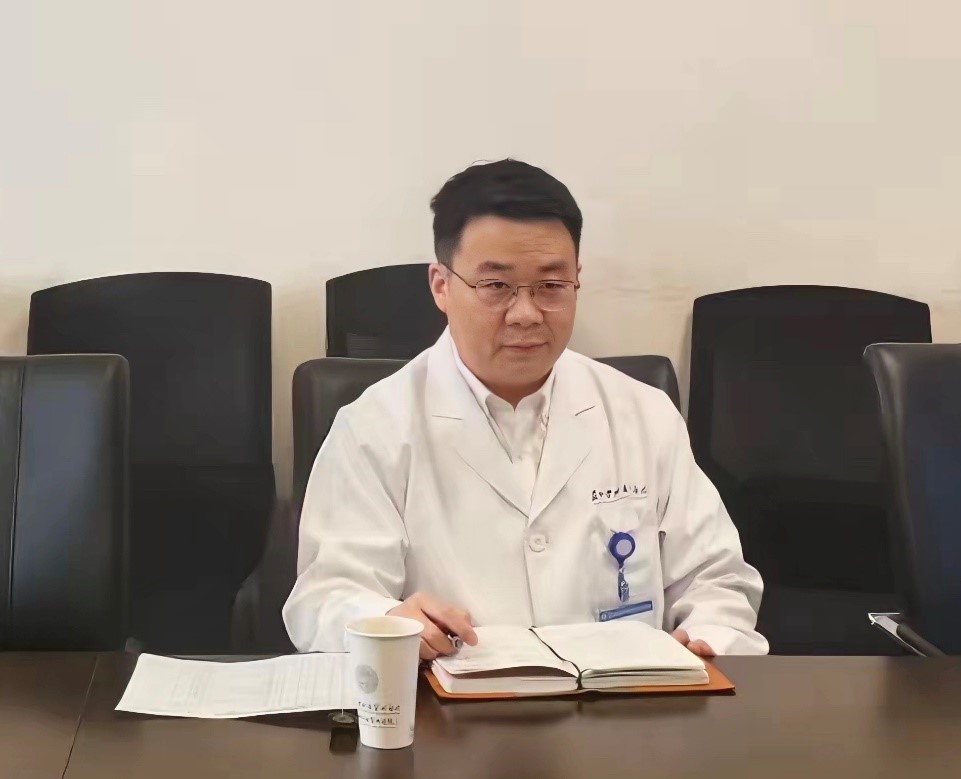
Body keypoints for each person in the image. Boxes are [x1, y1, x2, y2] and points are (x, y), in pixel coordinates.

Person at [283, 159, 768, 658]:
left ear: (576, 281)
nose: (526, 313)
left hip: (623, 700)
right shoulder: (374, 427)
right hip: (447, 699)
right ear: (441, 286)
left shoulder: (644, 415)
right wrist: (387, 621)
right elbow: (328, 596)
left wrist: (709, 638)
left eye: (551, 287)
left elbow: (717, 579)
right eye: (496, 287)